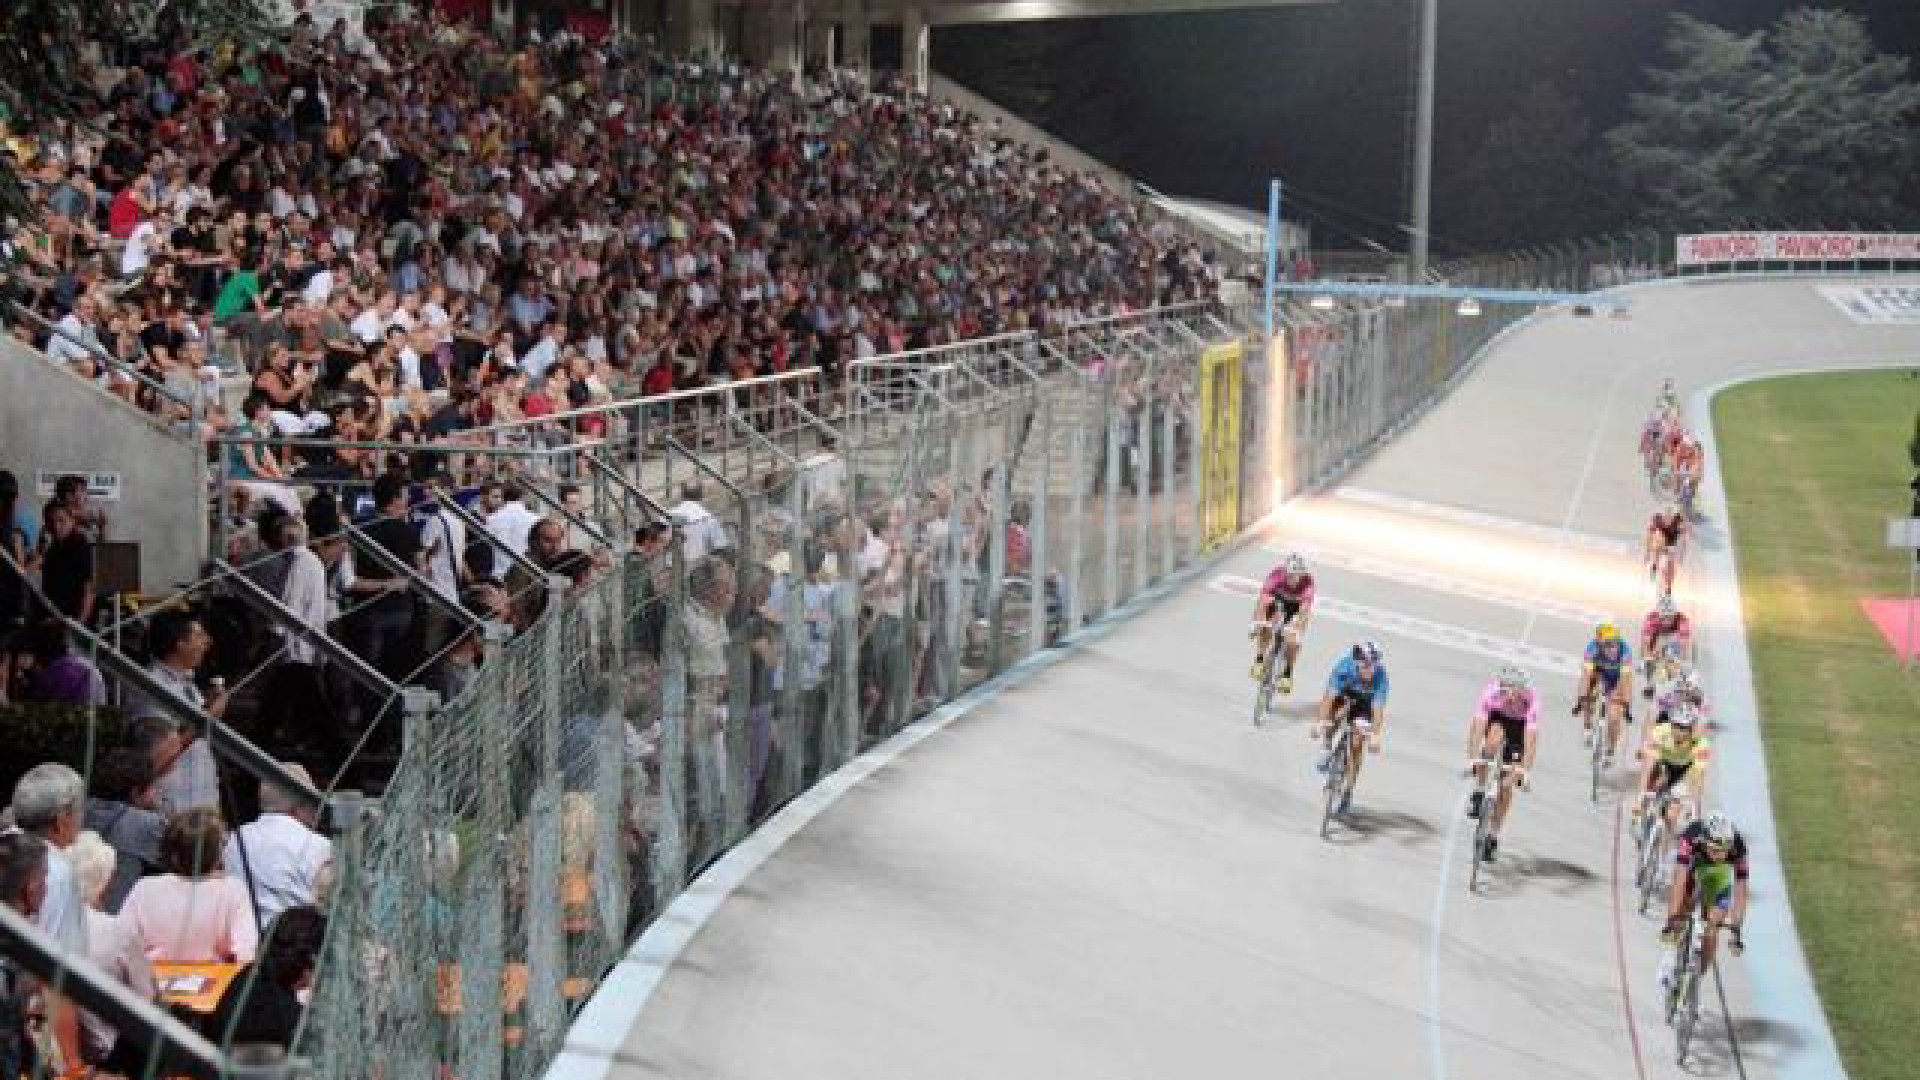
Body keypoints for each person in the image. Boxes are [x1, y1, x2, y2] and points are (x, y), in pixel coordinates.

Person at [119, 808, 259, 965]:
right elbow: (246, 954)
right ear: (217, 852)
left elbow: (121, 945)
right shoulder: (233, 889)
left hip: (150, 982)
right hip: (216, 982)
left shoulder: (144, 888)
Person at [1662, 812, 1749, 978]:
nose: (1720, 855)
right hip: (1693, 868)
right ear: (1704, 842)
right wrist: (1672, 917)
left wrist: (1737, 930)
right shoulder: (1692, 836)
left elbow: (1741, 891)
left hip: (1718, 878)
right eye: (1714, 850)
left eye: (1724, 851)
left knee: (1712, 929)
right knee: (1681, 910)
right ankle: (1670, 960)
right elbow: (1679, 881)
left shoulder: (1738, 845)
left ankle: (1695, 983)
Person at [1465, 665, 1538, 863]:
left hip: (1519, 728)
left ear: (1522, 689)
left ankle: (1493, 836)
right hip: (1497, 719)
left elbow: (1530, 740)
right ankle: (1479, 790)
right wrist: (1471, 759)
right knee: (1491, 742)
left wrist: (1524, 770)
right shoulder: (1491, 693)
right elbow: (1477, 727)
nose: (1511, 694)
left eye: (1515, 690)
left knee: (1507, 785)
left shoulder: (1531, 700)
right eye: (1506, 689)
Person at [1310, 640, 1389, 816]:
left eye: (1374, 666)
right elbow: (1328, 698)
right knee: (1331, 716)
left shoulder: (1381, 677)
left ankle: (1348, 791)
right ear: (1357, 664)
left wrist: (1376, 735)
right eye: (1366, 666)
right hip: (1343, 696)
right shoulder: (1344, 668)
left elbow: (1378, 709)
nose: (1371, 670)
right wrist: (1319, 723)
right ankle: (1326, 747)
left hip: (1364, 705)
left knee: (1356, 744)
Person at [1633, 704, 1710, 835]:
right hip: (1663, 764)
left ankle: (1663, 846)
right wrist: (1641, 795)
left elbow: (1698, 777)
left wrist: (1694, 806)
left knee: (1671, 816)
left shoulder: (1700, 743)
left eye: (1684, 728)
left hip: (1683, 772)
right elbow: (1648, 760)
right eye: (1676, 725)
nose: (1679, 731)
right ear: (1670, 724)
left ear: (1691, 729)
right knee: (1651, 765)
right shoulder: (1661, 731)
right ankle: (1642, 807)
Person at [1249, 552, 1315, 694]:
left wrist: (1297, 629)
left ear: (1303, 575)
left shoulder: (1308, 582)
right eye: (1291, 575)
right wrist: (1257, 622)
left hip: (1296, 608)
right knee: (1265, 625)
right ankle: (1259, 660)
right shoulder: (1276, 575)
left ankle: (1287, 674)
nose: (1294, 579)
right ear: (1285, 572)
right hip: (1276, 601)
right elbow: (1263, 601)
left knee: (1293, 640)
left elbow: (1304, 610)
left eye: (1298, 576)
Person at [1573, 620, 1634, 765]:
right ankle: (1587, 727)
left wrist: (1626, 706)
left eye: (1615, 643)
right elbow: (1586, 676)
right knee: (1587, 695)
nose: (1612, 648)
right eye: (1607, 644)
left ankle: (1611, 750)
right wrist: (1581, 700)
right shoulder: (1591, 649)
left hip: (1617, 678)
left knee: (1614, 717)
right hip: (1598, 673)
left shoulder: (1625, 653)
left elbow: (1626, 682)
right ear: (1599, 643)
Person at [1640, 592, 1693, 700]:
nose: (1667, 621)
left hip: (1675, 636)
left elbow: (1684, 645)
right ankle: (1649, 684)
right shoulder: (1651, 619)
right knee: (1648, 659)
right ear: (1658, 614)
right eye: (1664, 617)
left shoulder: (1682, 620)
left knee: (1681, 659)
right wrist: (1649, 657)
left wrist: (1681, 660)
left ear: (1675, 614)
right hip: (1657, 635)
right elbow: (1646, 643)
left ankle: (1683, 681)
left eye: (1669, 617)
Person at [1644, 501, 1689, 595]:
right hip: (1660, 543)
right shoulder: (1658, 520)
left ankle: (1668, 587)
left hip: (1672, 545)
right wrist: (1647, 553)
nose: (1668, 520)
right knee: (1659, 541)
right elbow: (1649, 536)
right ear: (1663, 516)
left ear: (1673, 517)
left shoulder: (1678, 521)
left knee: (1670, 564)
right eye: (1666, 517)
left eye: (1670, 517)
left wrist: (1682, 554)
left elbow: (1684, 539)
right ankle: (1654, 568)